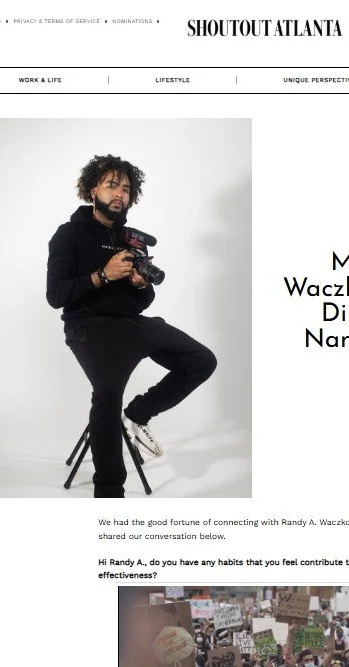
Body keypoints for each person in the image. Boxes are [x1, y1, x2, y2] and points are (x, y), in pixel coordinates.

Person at [47, 153, 217, 497]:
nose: (119, 194)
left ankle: (138, 414)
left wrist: (140, 285)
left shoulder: (130, 239)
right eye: (112, 185)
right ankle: (110, 490)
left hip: (131, 323)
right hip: (87, 327)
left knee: (202, 361)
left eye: (125, 189)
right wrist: (102, 275)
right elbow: (56, 295)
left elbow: (142, 302)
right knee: (108, 392)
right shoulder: (69, 234)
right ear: (92, 189)